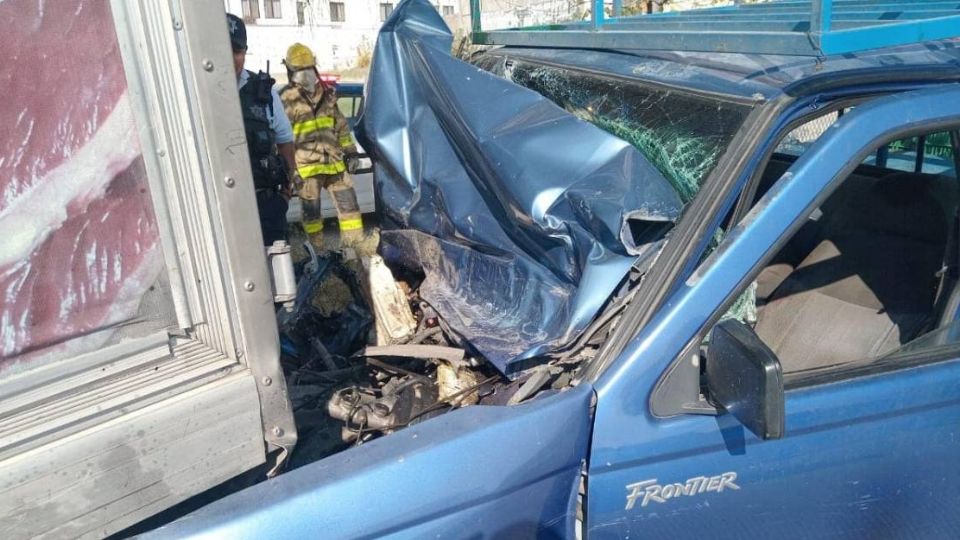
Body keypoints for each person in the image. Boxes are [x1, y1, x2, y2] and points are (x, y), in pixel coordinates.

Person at [279, 42, 364, 251]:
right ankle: (318, 255)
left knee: (350, 211)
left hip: (335, 164)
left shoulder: (327, 95)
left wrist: (351, 153)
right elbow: (280, 138)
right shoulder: (284, 99)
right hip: (307, 169)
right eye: (301, 70)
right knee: (312, 217)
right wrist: (289, 171)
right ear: (291, 71)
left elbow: (341, 126)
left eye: (308, 69)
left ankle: (354, 254)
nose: (305, 74)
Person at [227, 13, 297, 246]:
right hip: (220, 209)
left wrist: (284, 196)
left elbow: (285, 141)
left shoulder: (262, 92)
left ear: (244, 52)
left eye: (236, 51)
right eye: (223, 50)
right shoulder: (192, 94)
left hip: (265, 206)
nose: (230, 58)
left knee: (274, 276)